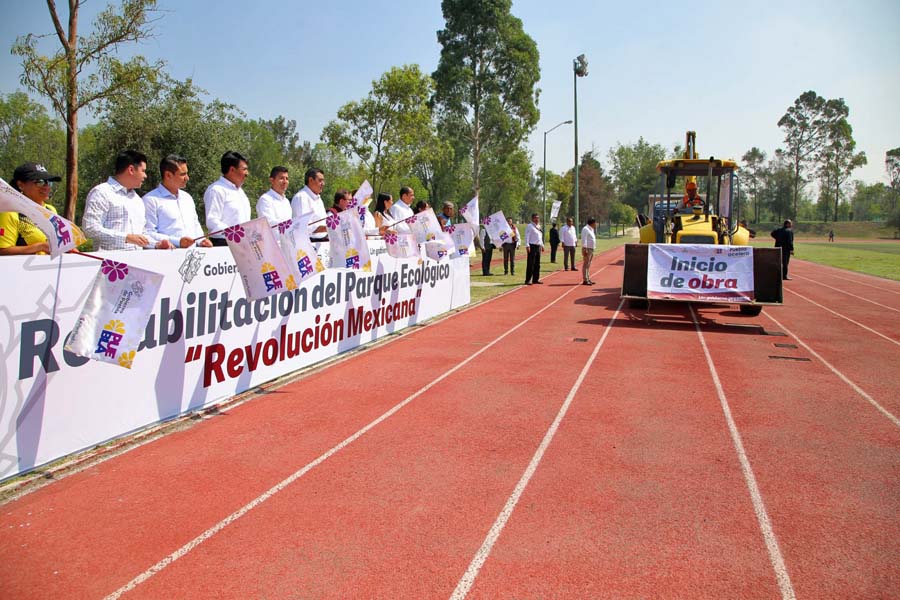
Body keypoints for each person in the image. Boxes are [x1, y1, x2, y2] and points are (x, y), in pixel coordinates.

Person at [82, 149, 168, 251]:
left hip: (137, 262)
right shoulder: (101, 193)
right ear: (131, 170)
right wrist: (125, 238)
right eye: (143, 171)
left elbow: (141, 234)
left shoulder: (137, 200)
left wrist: (156, 244)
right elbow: (90, 228)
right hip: (111, 264)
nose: (145, 176)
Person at [142, 155, 212, 249]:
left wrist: (201, 241)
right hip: (167, 257)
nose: (187, 178)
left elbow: (195, 224)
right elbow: (147, 233)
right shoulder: (150, 200)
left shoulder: (187, 198)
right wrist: (177, 242)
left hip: (194, 256)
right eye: (183, 174)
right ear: (168, 175)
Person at [0, 163, 63, 255]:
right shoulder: (10, 212)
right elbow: (2, 251)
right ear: (20, 185)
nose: (46, 187)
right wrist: (39, 247)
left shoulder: (51, 210)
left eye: (49, 182)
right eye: (40, 182)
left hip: (50, 267)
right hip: (20, 268)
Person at [204, 151, 251, 247]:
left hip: (243, 244)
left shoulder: (240, 191)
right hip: (224, 244)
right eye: (244, 169)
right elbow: (212, 221)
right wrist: (236, 234)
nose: (247, 173)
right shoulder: (216, 190)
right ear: (232, 170)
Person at [291, 168, 327, 241]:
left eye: (323, 180)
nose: (323, 184)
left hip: (322, 242)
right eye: (320, 180)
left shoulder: (319, 199)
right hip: (309, 243)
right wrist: (328, 228)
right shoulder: (301, 197)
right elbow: (303, 227)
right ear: (310, 180)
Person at [524, 213, 544, 285]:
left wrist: (542, 245)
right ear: (532, 218)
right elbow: (527, 236)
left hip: (538, 246)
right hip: (532, 246)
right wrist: (527, 245)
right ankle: (528, 280)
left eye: (538, 218)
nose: (537, 219)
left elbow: (540, 236)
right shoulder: (530, 226)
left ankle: (535, 279)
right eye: (536, 218)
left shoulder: (538, 226)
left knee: (537, 264)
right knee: (531, 264)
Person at [581, 217, 597, 285]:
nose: (596, 224)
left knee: (588, 265)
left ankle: (588, 278)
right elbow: (584, 239)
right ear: (592, 223)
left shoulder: (591, 229)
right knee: (586, 264)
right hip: (587, 249)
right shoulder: (585, 229)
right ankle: (585, 280)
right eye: (595, 223)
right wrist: (585, 249)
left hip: (591, 248)